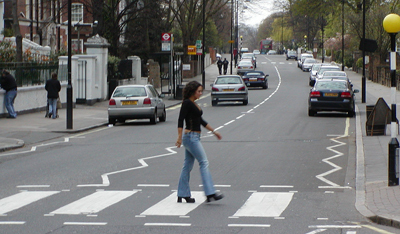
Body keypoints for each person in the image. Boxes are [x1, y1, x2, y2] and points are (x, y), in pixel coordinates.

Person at [176, 81, 224, 203]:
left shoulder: (193, 103)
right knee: (204, 162)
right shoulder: (187, 103)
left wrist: (214, 132)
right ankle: (210, 193)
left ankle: (182, 194)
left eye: (201, 91)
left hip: (193, 137)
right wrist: (179, 137)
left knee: (187, 166)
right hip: (191, 137)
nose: (201, 93)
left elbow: (201, 121)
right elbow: (180, 120)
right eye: (199, 91)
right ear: (192, 91)